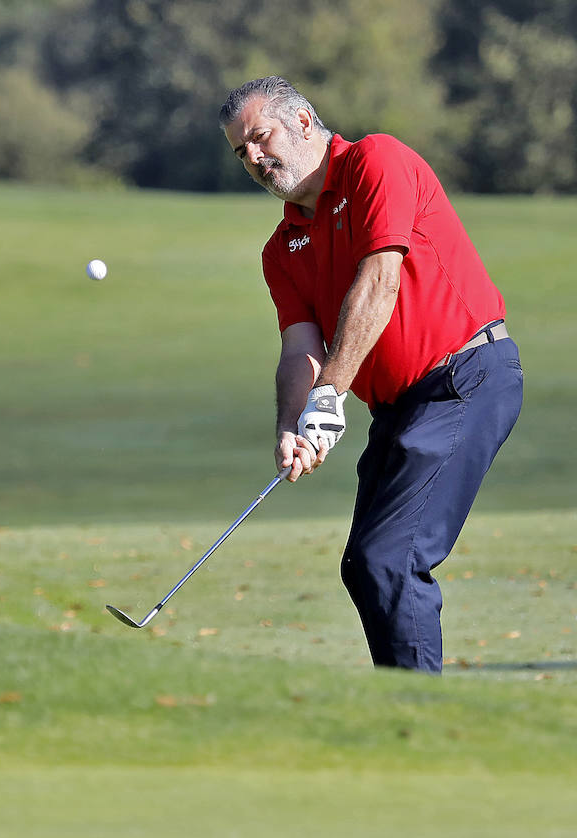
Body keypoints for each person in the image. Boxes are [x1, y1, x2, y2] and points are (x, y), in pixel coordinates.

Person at [218, 76, 524, 674]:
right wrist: (292, 422)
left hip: (466, 377)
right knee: (364, 563)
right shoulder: (281, 250)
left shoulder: (374, 161)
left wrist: (329, 395)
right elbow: (299, 348)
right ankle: (403, 706)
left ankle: (417, 719)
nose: (253, 158)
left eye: (260, 137)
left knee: (391, 557)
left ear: (304, 121)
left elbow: (379, 280)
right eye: (240, 151)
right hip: (401, 408)